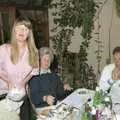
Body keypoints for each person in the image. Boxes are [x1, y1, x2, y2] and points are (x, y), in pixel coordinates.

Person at [0, 19, 38, 120]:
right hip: (5, 94)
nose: (22, 30)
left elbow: (34, 71)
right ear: (14, 31)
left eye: (26, 29)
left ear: (29, 34)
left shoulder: (33, 52)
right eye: (19, 27)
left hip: (22, 96)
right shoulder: (4, 49)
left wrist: (24, 82)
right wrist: (8, 80)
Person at [99, 46, 120, 117]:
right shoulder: (108, 69)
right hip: (112, 104)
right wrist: (112, 80)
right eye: (115, 59)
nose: (117, 62)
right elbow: (100, 89)